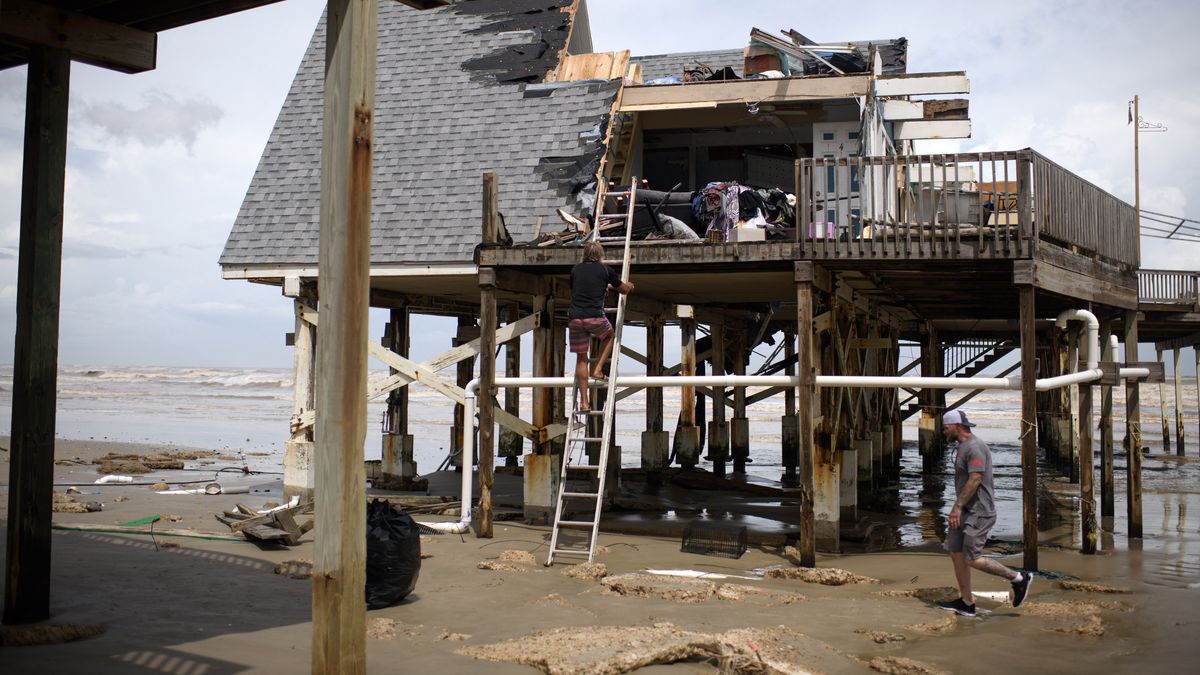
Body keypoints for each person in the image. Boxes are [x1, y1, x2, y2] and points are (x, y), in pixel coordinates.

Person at [938, 408, 1032, 617]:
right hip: (964, 511)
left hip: (979, 511)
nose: (943, 432)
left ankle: (1018, 578)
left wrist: (957, 507)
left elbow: (976, 479)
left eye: (945, 428)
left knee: (971, 558)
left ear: (957, 426)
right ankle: (966, 602)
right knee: (956, 552)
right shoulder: (962, 447)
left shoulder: (975, 447)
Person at [568, 241, 633, 411]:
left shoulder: (575, 269)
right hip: (594, 317)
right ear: (600, 255)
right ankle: (597, 369)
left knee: (581, 359)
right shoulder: (605, 270)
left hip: (575, 319)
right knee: (610, 335)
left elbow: (574, 288)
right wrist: (630, 285)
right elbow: (623, 290)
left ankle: (584, 402)